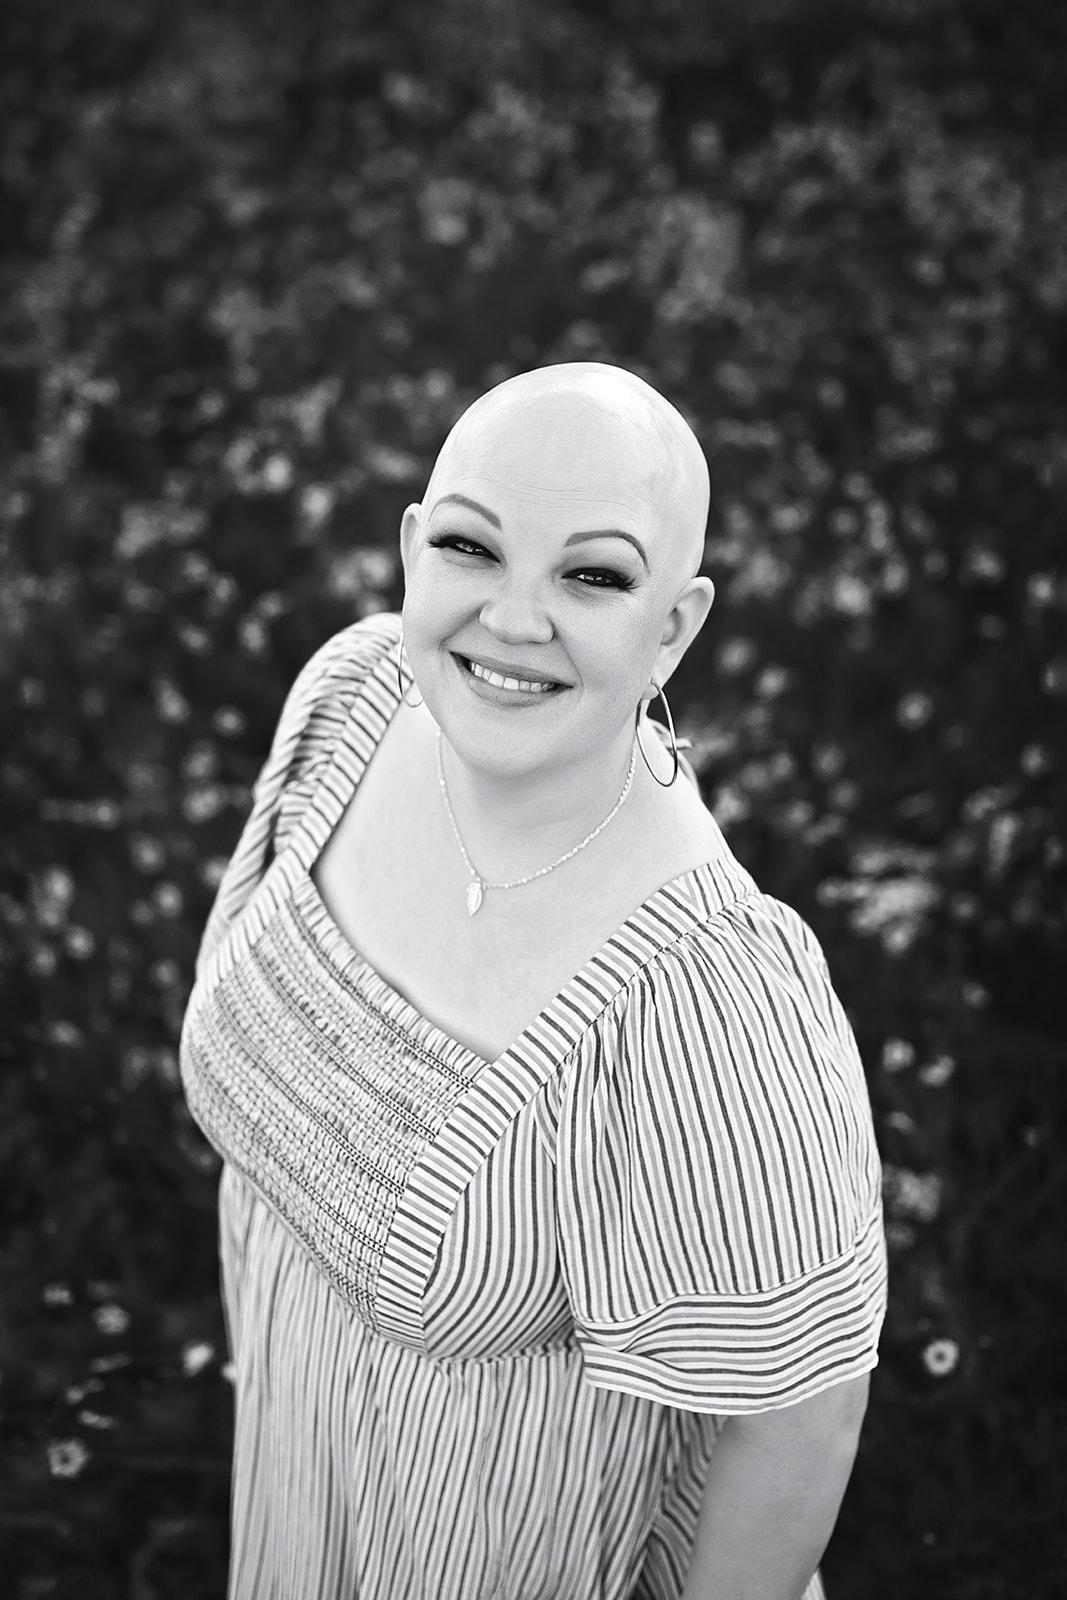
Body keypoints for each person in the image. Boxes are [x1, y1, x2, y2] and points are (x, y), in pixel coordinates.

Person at [179, 361, 887, 1600]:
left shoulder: (702, 990)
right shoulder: (352, 703)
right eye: (471, 547)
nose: (512, 619)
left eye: (592, 576)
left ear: (673, 626)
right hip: (292, 1499)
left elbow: (799, 1423)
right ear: (412, 547)